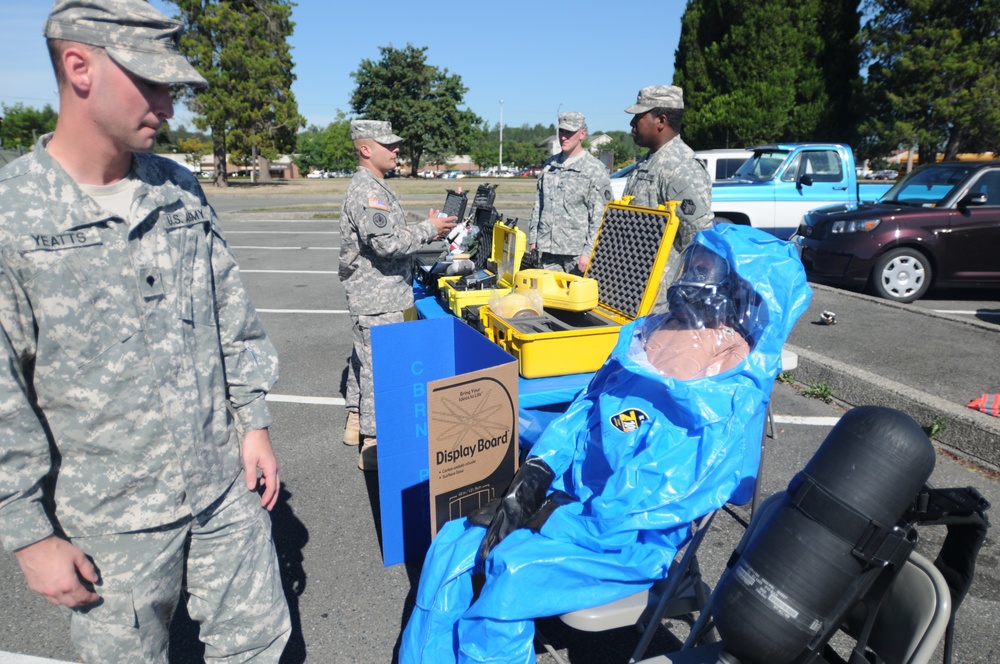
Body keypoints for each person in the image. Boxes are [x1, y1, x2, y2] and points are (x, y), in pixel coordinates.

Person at [0, 1, 290, 661]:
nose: (168, 101)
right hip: (112, 520)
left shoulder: (179, 192)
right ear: (79, 67)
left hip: (224, 488)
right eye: (151, 80)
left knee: (258, 646)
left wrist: (254, 421)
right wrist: (29, 534)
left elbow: (230, 313)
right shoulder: (13, 217)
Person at [400, 224, 812, 664]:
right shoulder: (646, 338)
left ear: (744, 290)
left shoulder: (726, 397)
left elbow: (655, 499)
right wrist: (533, 477)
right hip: (571, 505)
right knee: (454, 545)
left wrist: (546, 519)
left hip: (625, 541)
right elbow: (582, 412)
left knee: (510, 573)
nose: (694, 277)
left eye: (709, 270)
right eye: (695, 263)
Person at [339, 120, 457, 470]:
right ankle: (375, 445)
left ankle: (355, 424)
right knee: (380, 368)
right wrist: (428, 229)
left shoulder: (374, 186)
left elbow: (388, 233)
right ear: (365, 149)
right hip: (379, 296)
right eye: (387, 145)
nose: (396, 151)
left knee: (365, 359)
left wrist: (427, 231)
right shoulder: (368, 191)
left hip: (379, 293)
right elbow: (387, 244)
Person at [623, 85, 714, 310]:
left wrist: (688, 303)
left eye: (639, 116)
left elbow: (699, 243)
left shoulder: (680, 168)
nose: (632, 123)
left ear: (661, 120)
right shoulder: (648, 162)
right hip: (633, 291)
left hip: (661, 302)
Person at [526, 111, 613, 274]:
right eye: (561, 131)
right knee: (548, 298)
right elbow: (539, 204)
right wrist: (533, 240)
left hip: (576, 255)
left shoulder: (595, 169)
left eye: (570, 132)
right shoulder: (550, 165)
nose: (564, 137)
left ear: (582, 134)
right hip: (547, 251)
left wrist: (589, 252)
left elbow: (601, 216)